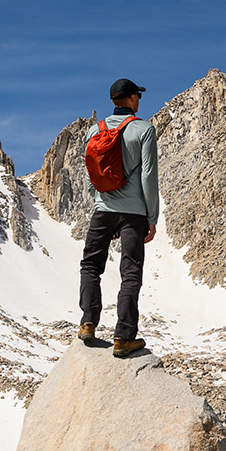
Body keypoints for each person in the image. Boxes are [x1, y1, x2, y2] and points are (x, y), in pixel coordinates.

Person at [78, 78, 159, 358]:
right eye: (138, 95)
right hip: (134, 214)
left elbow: (90, 172)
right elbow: (148, 176)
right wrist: (152, 216)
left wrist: (100, 199)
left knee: (90, 266)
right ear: (133, 98)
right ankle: (124, 338)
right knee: (130, 273)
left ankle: (88, 324)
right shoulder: (144, 130)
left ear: (113, 100)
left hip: (103, 211)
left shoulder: (93, 130)